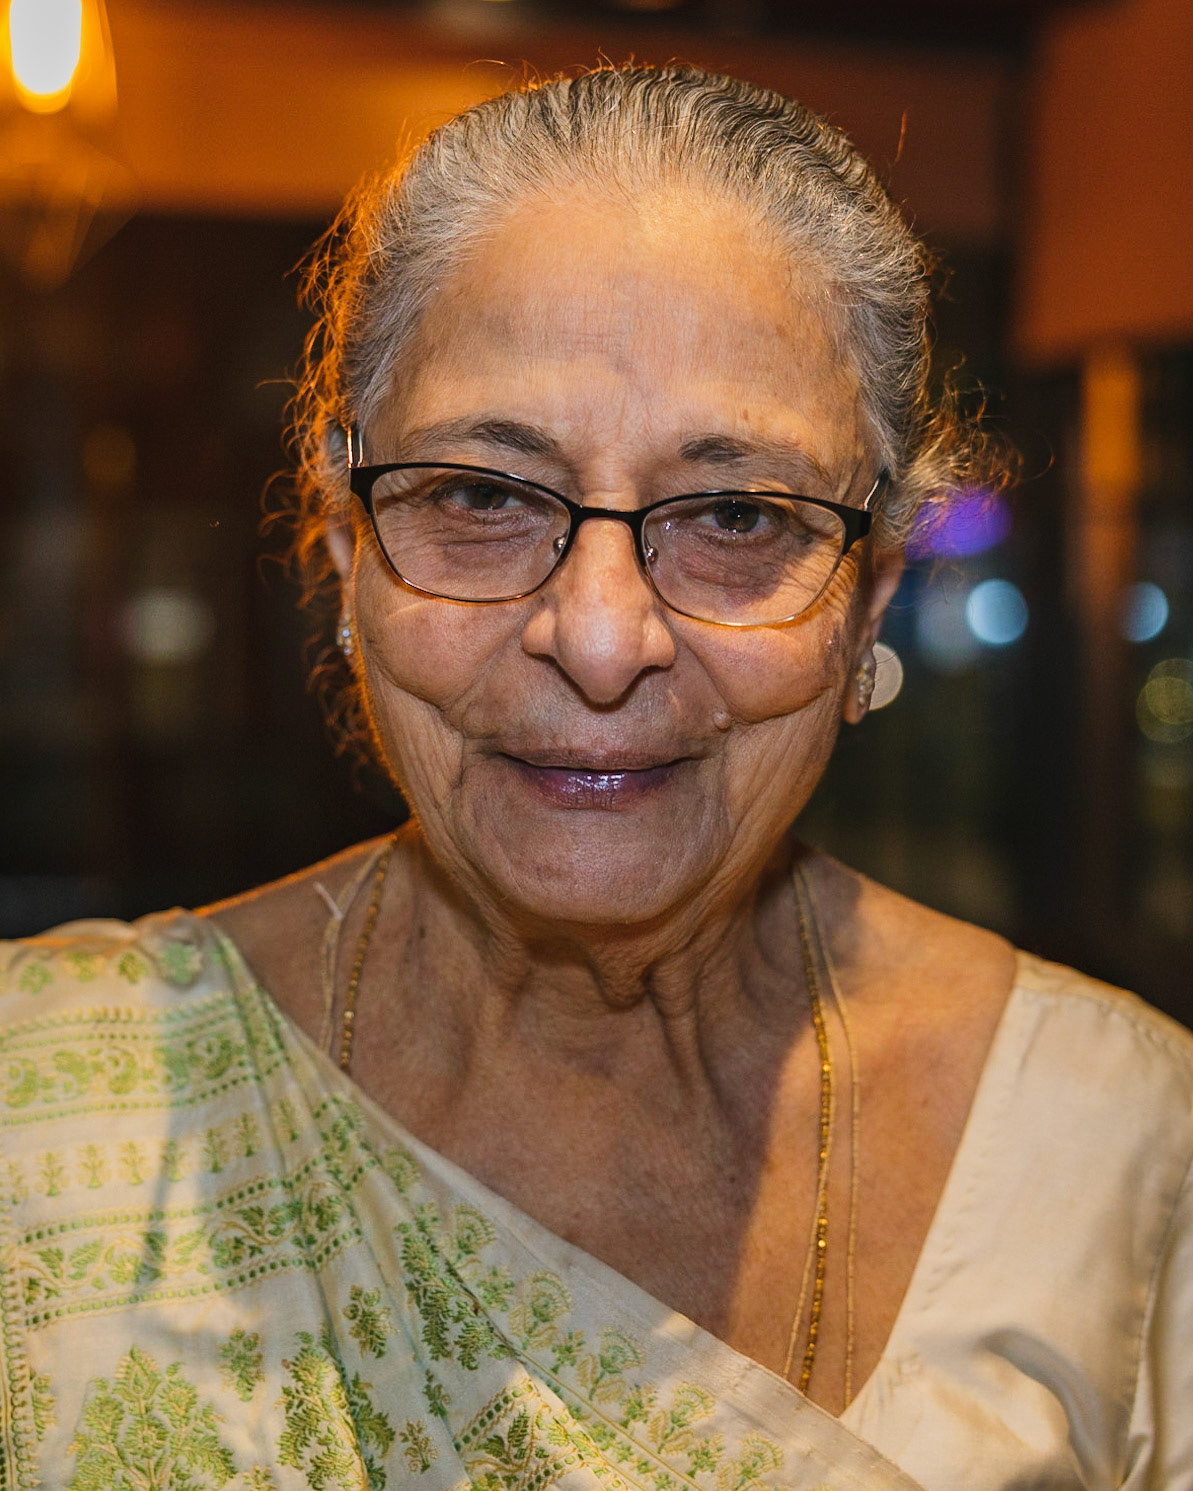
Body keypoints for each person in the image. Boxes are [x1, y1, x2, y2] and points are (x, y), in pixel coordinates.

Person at [1, 65, 1189, 1491]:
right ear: (346, 546)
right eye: (482, 497)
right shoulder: (41, 1109)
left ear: (867, 596)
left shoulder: (1116, 1150)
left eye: (737, 515)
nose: (605, 639)